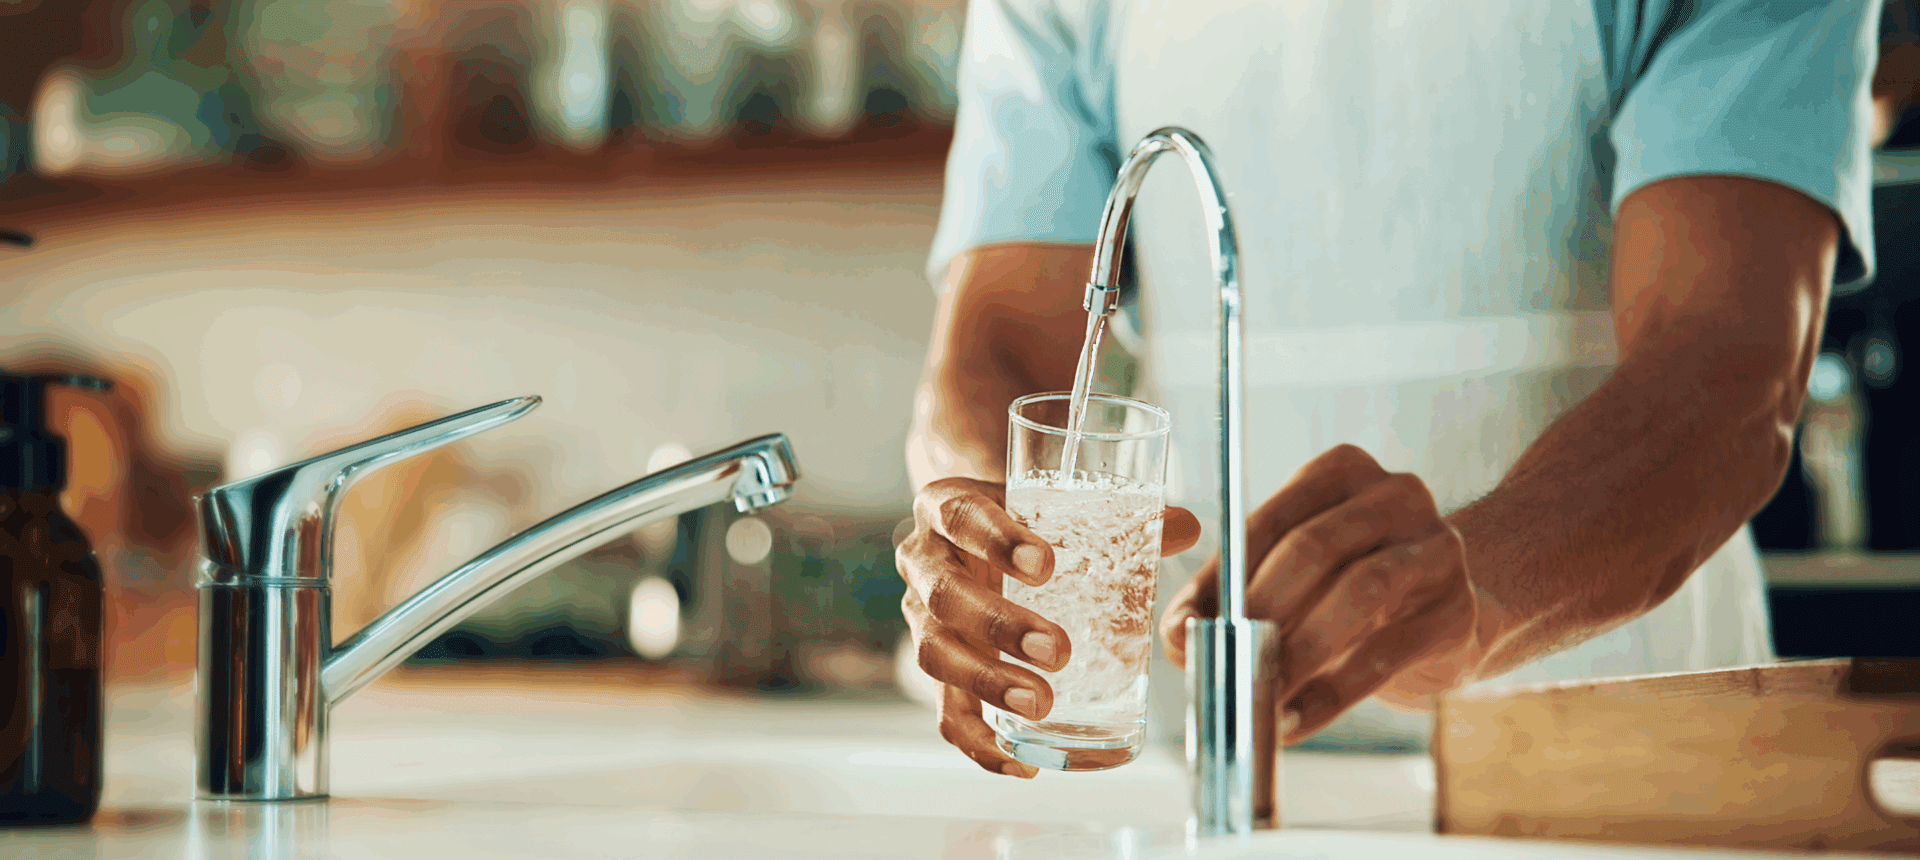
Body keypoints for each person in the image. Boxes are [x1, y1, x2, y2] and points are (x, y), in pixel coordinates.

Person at [894, 0, 1887, 778]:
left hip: (1614, 743)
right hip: (1216, 747)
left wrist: (1482, 584)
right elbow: (1003, 347)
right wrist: (978, 527)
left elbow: (1726, 370)